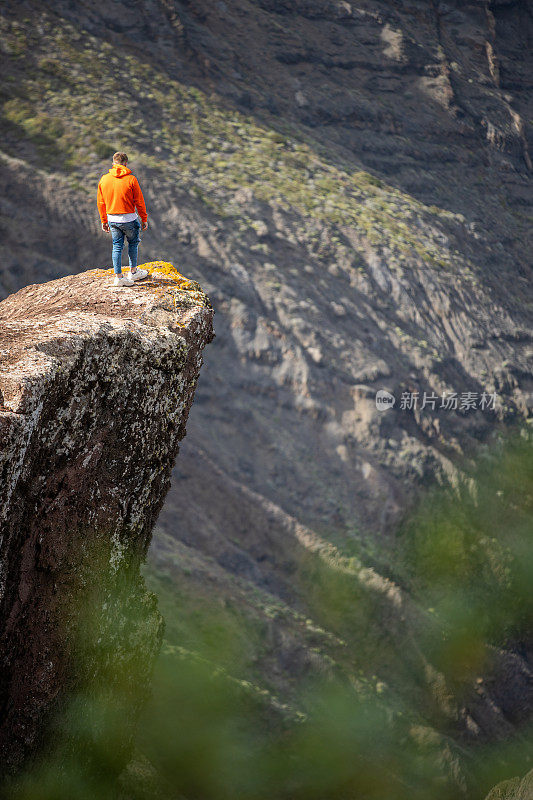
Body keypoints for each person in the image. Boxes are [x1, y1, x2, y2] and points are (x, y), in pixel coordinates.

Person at [97, 152, 149, 287]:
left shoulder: (104, 179)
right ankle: (133, 272)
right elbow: (139, 202)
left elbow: (101, 203)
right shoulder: (131, 179)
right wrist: (144, 218)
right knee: (133, 243)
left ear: (113, 163)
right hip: (129, 219)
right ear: (125, 164)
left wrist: (104, 220)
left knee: (117, 246)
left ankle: (119, 277)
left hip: (112, 219)